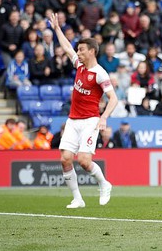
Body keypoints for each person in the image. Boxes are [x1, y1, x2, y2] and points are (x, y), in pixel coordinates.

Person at [49, 12, 118, 209]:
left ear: (92, 52)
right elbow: (66, 47)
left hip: (90, 120)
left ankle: (104, 184)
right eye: (78, 50)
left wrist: (104, 117)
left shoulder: (99, 73)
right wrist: (57, 29)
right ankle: (77, 199)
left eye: (81, 50)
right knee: (65, 159)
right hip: (73, 119)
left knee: (85, 162)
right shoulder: (79, 65)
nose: (77, 53)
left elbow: (113, 98)